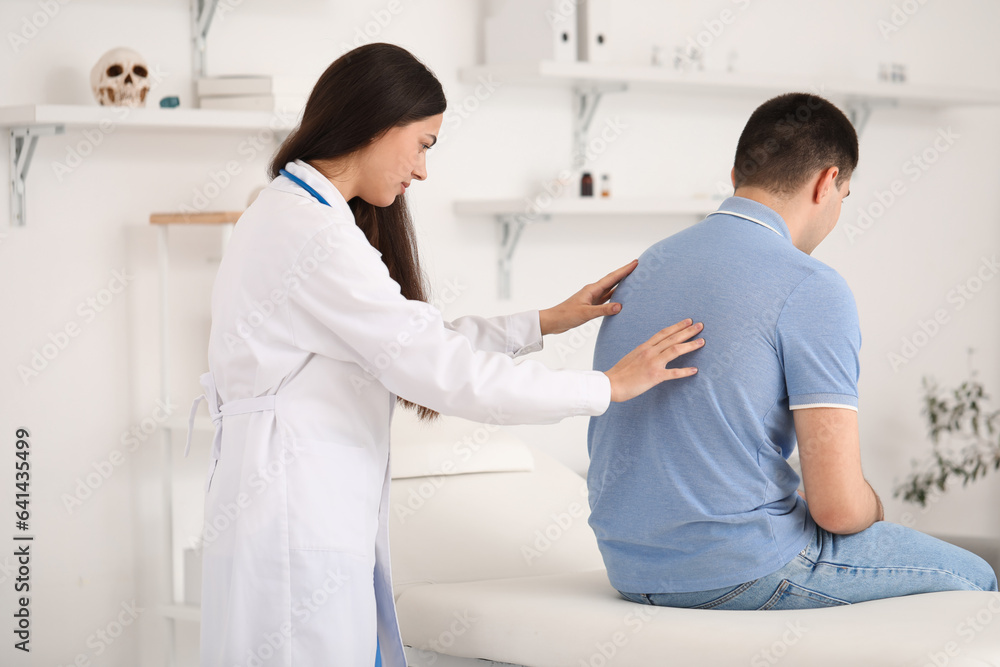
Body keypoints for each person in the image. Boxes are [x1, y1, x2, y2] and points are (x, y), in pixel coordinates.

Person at [184, 43, 705, 667]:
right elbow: (448, 376)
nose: (423, 171)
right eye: (425, 143)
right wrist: (605, 388)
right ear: (377, 122)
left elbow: (414, 341)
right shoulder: (311, 235)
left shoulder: (292, 214)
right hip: (293, 526)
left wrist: (545, 321)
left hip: (293, 515)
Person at [587, 92, 998, 612]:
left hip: (628, 566)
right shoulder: (812, 287)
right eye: (845, 196)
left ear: (736, 175)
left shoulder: (644, 267)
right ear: (828, 182)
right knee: (978, 576)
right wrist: (872, 505)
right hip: (738, 569)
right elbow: (837, 510)